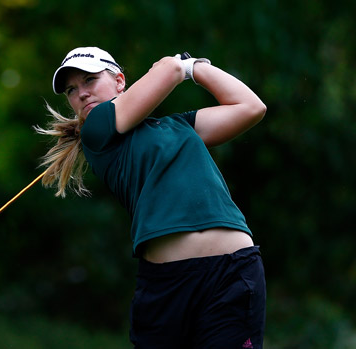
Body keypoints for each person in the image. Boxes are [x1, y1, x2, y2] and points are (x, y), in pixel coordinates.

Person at [35, 46, 267, 348]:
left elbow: (251, 107)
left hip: (232, 274)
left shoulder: (179, 126)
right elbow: (169, 71)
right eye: (71, 90)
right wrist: (178, 66)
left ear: (120, 81)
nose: (80, 94)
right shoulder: (96, 131)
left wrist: (196, 67)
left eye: (89, 80)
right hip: (169, 284)